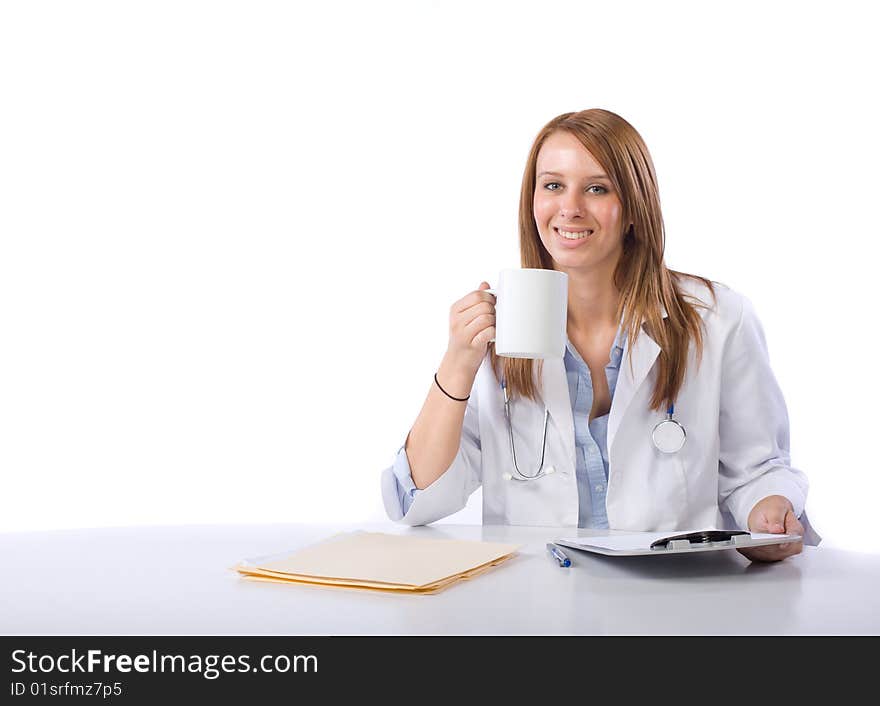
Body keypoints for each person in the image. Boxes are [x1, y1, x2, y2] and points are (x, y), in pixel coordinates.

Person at [380, 108, 819, 562]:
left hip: (675, 599)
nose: (570, 207)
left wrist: (768, 517)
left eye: (597, 188)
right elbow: (420, 500)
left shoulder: (718, 318)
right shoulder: (498, 332)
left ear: (633, 206)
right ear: (532, 201)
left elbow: (758, 472)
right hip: (536, 605)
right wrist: (458, 362)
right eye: (553, 185)